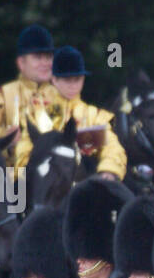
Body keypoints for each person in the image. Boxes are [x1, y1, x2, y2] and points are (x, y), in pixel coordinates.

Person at [13, 46, 126, 179]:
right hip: (44, 187)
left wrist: (109, 170)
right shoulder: (36, 114)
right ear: (54, 80)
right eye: (67, 80)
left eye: (77, 79)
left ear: (83, 79)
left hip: (82, 190)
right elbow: (24, 151)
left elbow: (112, 146)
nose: (73, 85)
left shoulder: (94, 116)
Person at [0, 24, 60, 156]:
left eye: (48, 57)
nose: (45, 63)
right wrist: (5, 137)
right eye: (37, 57)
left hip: (58, 173)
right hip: (8, 173)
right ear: (21, 63)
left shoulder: (62, 97)